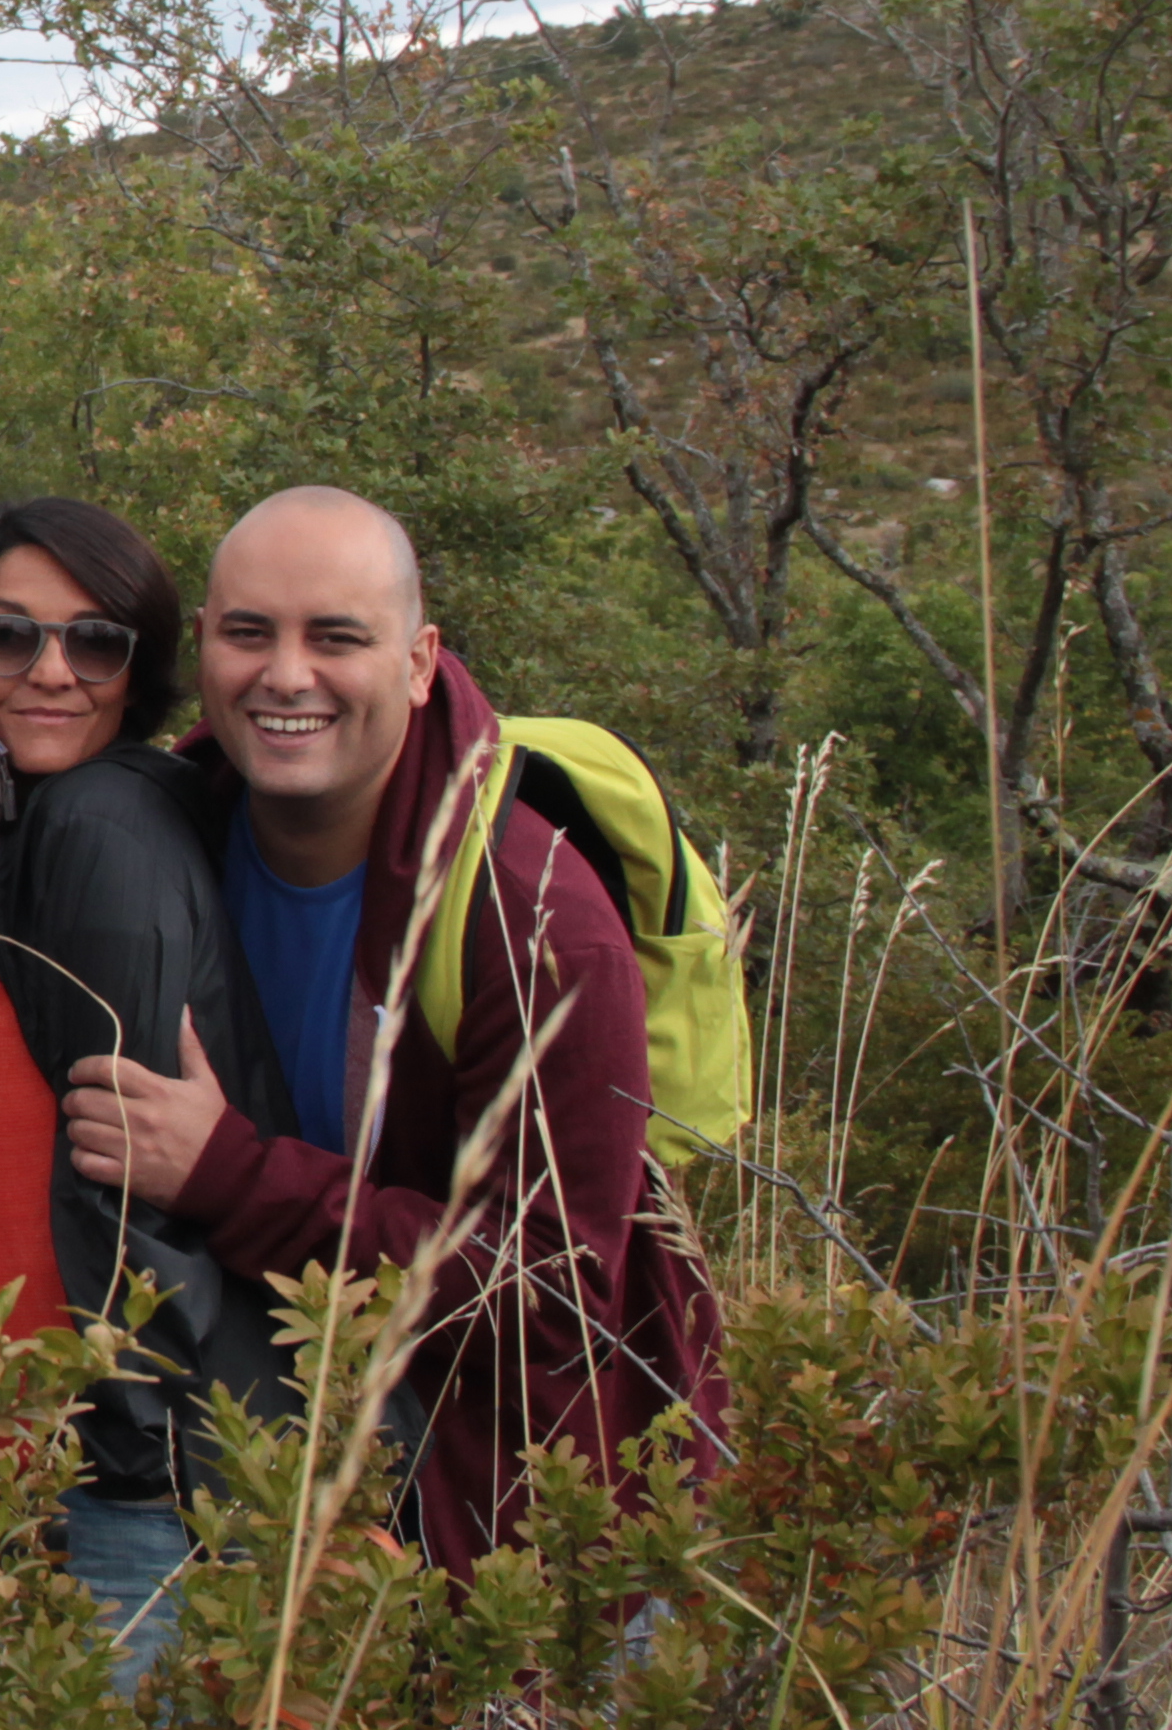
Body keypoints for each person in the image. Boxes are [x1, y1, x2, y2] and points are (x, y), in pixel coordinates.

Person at [55, 487, 730, 1572]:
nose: (284, 676)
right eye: (247, 633)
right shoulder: (179, 835)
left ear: (419, 664)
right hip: (271, 1507)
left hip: (512, 1543)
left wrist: (230, 1175)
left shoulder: (532, 919)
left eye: (336, 638)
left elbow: (548, 1291)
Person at [0, 496, 281, 1679]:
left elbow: (138, 1177)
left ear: (143, 665)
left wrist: (121, 1452)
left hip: (120, 1496)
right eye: (7, 635)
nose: (51, 671)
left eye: (98, 642)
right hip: (51, 1472)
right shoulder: (37, 825)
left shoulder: (98, 831)